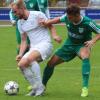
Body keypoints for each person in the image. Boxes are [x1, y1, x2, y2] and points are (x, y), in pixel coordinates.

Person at [40, 4, 100, 97]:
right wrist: (47, 22)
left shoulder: (88, 22)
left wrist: (93, 41)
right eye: (67, 16)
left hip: (82, 45)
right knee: (50, 63)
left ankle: (85, 88)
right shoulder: (67, 17)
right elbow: (58, 19)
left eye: (70, 17)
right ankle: (42, 86)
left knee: (85, 56)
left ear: (77, 15)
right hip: (68, 45)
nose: (68, 18)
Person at [11, 1, 61, 96]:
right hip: (34, 48)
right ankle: (35, 87)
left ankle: (40, 88)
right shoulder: (20, 23)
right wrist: (20, 54)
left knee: (30, 59)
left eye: (15, 11)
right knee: (21, 64)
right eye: (13, 12)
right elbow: (24, 40)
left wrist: (55, 36)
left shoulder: (38, 14)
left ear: (22, 9)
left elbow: (50, 25)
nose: (14, 14)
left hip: (45, 44)